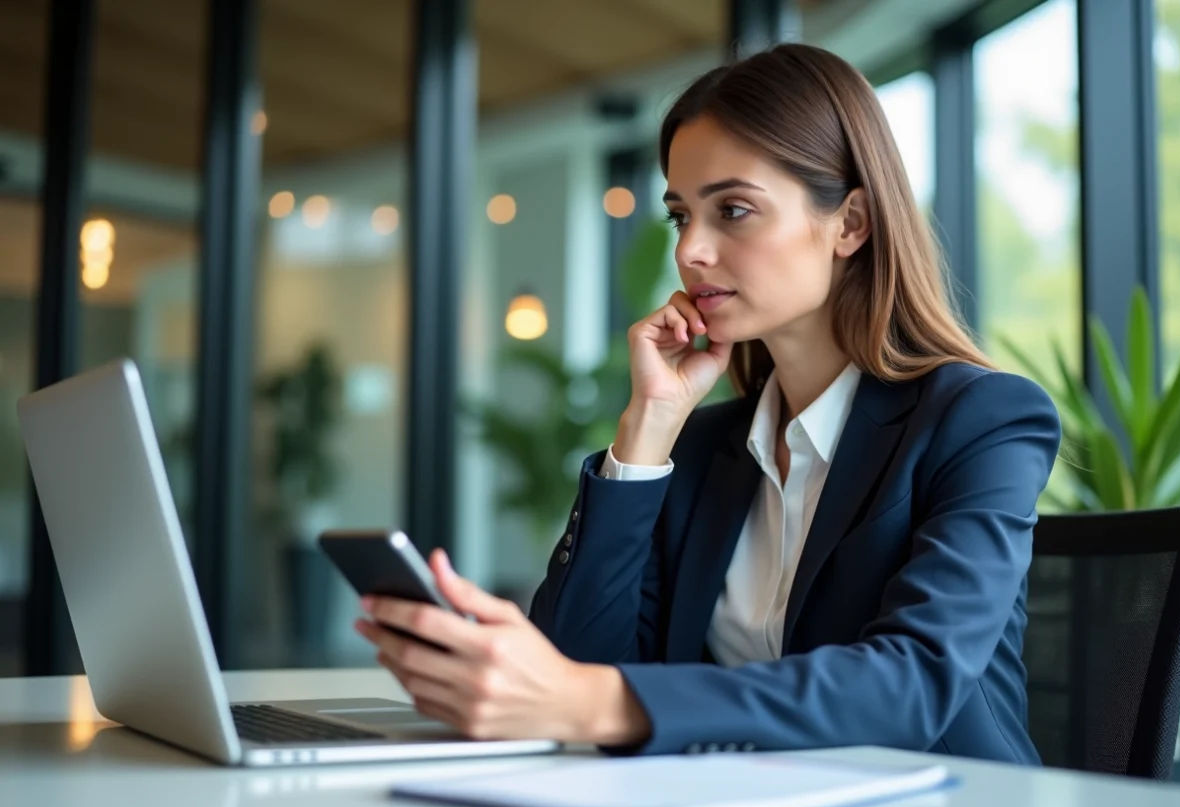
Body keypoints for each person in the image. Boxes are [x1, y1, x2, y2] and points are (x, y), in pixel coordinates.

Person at [354, 43, 1061, 763]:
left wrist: (597, 698)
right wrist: (645, 432)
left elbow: (912, 683)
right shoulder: (700, 450)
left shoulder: (983, 421)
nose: (690, 249)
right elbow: (576, 667)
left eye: (734, 210)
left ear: (850, 223)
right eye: (679, 215)